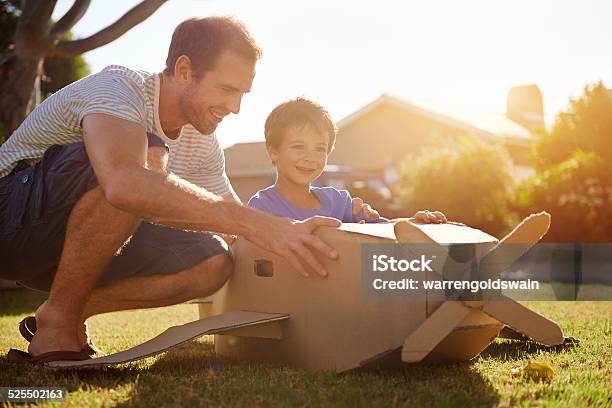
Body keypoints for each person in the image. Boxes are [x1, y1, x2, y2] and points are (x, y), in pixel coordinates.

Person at [0, 17, 374, 364]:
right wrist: (257, 224)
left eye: (243, 93)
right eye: (227, 89)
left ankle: (64, 311)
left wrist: (303, 244)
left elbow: (236, 229)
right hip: (10, 224)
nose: (236, 107)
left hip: (68, 252)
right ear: (184, 71)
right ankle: (60, 327)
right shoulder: (119, 89)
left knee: (213, 259)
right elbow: (125, 182)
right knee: (143, 162)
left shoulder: (201, 142)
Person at [248, 98, 447, 225]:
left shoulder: (340, 203)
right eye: (299, 146)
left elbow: (385, 230)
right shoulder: (261, 209)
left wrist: (414, 222)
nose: (310, 157)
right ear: (273, 152)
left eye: (320, 148)